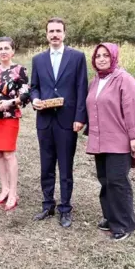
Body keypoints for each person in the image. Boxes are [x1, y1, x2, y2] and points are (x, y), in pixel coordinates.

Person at [30, 17, 88, 228]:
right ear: (46, 35)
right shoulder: (38, 60)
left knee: (65, 165)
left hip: (67, 120)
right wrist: (35, 98)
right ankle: (48, 204)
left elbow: (82, 88)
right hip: (44, 120)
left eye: (58, 31)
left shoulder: (77, 57)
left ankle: (65, 208)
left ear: (64, 33)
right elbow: (34, 86)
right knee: (46, 165)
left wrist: (80, 117)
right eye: (51, 31)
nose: (54, 34)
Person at [86, 43, 135, 241]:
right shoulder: (95, 81)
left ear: (114, 57)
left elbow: (132, 108)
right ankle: (110, 217)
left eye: (105, 55)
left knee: (117, 181)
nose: (101, 59)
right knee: (104, 180)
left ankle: (124, 224)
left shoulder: (124, 79)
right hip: (100, 139)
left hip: (119, 140)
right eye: (98, 56)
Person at [0, 37, 30, 210]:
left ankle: (13, 192)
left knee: (9, 154)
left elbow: (25, 95)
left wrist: (10, 103)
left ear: (13, 51)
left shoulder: (20, 70)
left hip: (9, 116)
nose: (3, 51)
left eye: (6, 48)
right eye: (0, 48)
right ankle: (4, 189)